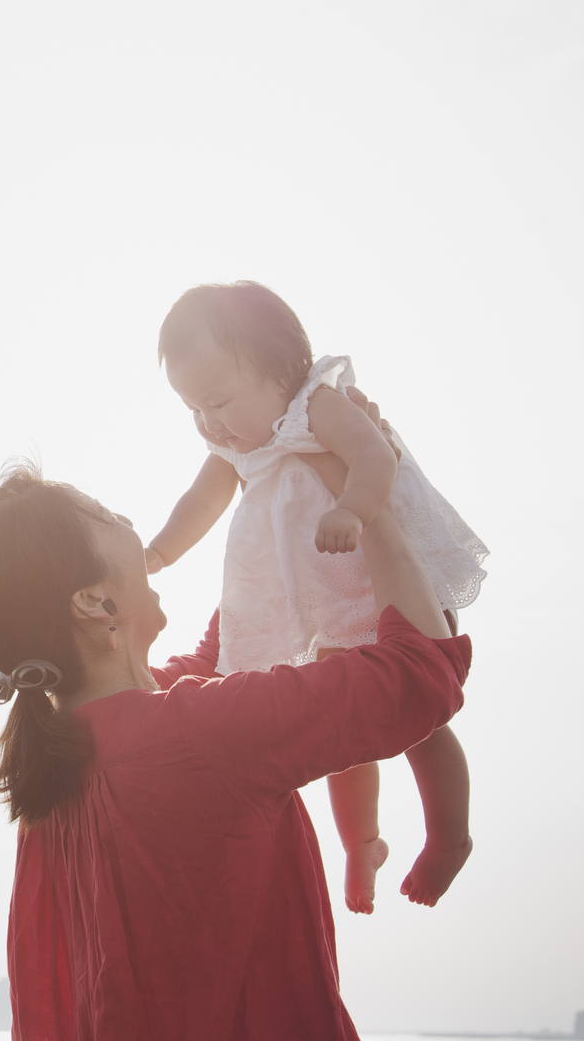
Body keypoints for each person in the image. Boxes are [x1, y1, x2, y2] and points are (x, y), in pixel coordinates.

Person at [0, 423, 470, 1041]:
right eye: (108, 517)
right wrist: (370, 501)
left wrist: (278, 500)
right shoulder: (197, 735)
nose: (131, 525)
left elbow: (232, 646)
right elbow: (420, 674)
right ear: (94, 602)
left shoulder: (62, 762)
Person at [145, 281, 485, 911]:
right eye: (193, 409)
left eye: (218, 401)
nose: (210, 424)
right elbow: (201, 502)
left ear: (280, 372)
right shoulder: (235, 446)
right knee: (342, 731)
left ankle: (448, 836)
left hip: (383, 584)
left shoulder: (314, 406)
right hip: (325, 604)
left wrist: (353, 509)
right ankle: (361, 843)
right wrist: (160, 552)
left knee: (423, 722)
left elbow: (374, 454)